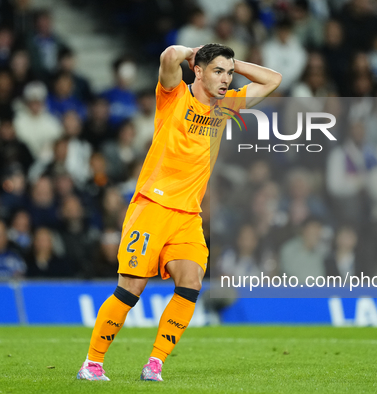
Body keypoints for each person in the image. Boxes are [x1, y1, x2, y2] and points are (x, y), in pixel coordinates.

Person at [76, 43, 281, 381]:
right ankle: (92, 363)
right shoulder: (173, 96)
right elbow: (169, 55)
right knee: (131, 288)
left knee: (191, 281)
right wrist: (196, 52)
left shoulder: (226, 106)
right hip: (153, 206)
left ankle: (155, 363)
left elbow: (273, 80)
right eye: (218, 71)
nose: (226, 79)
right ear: (197, 70)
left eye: (229, 74)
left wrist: (233, 63)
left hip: (187, 215)